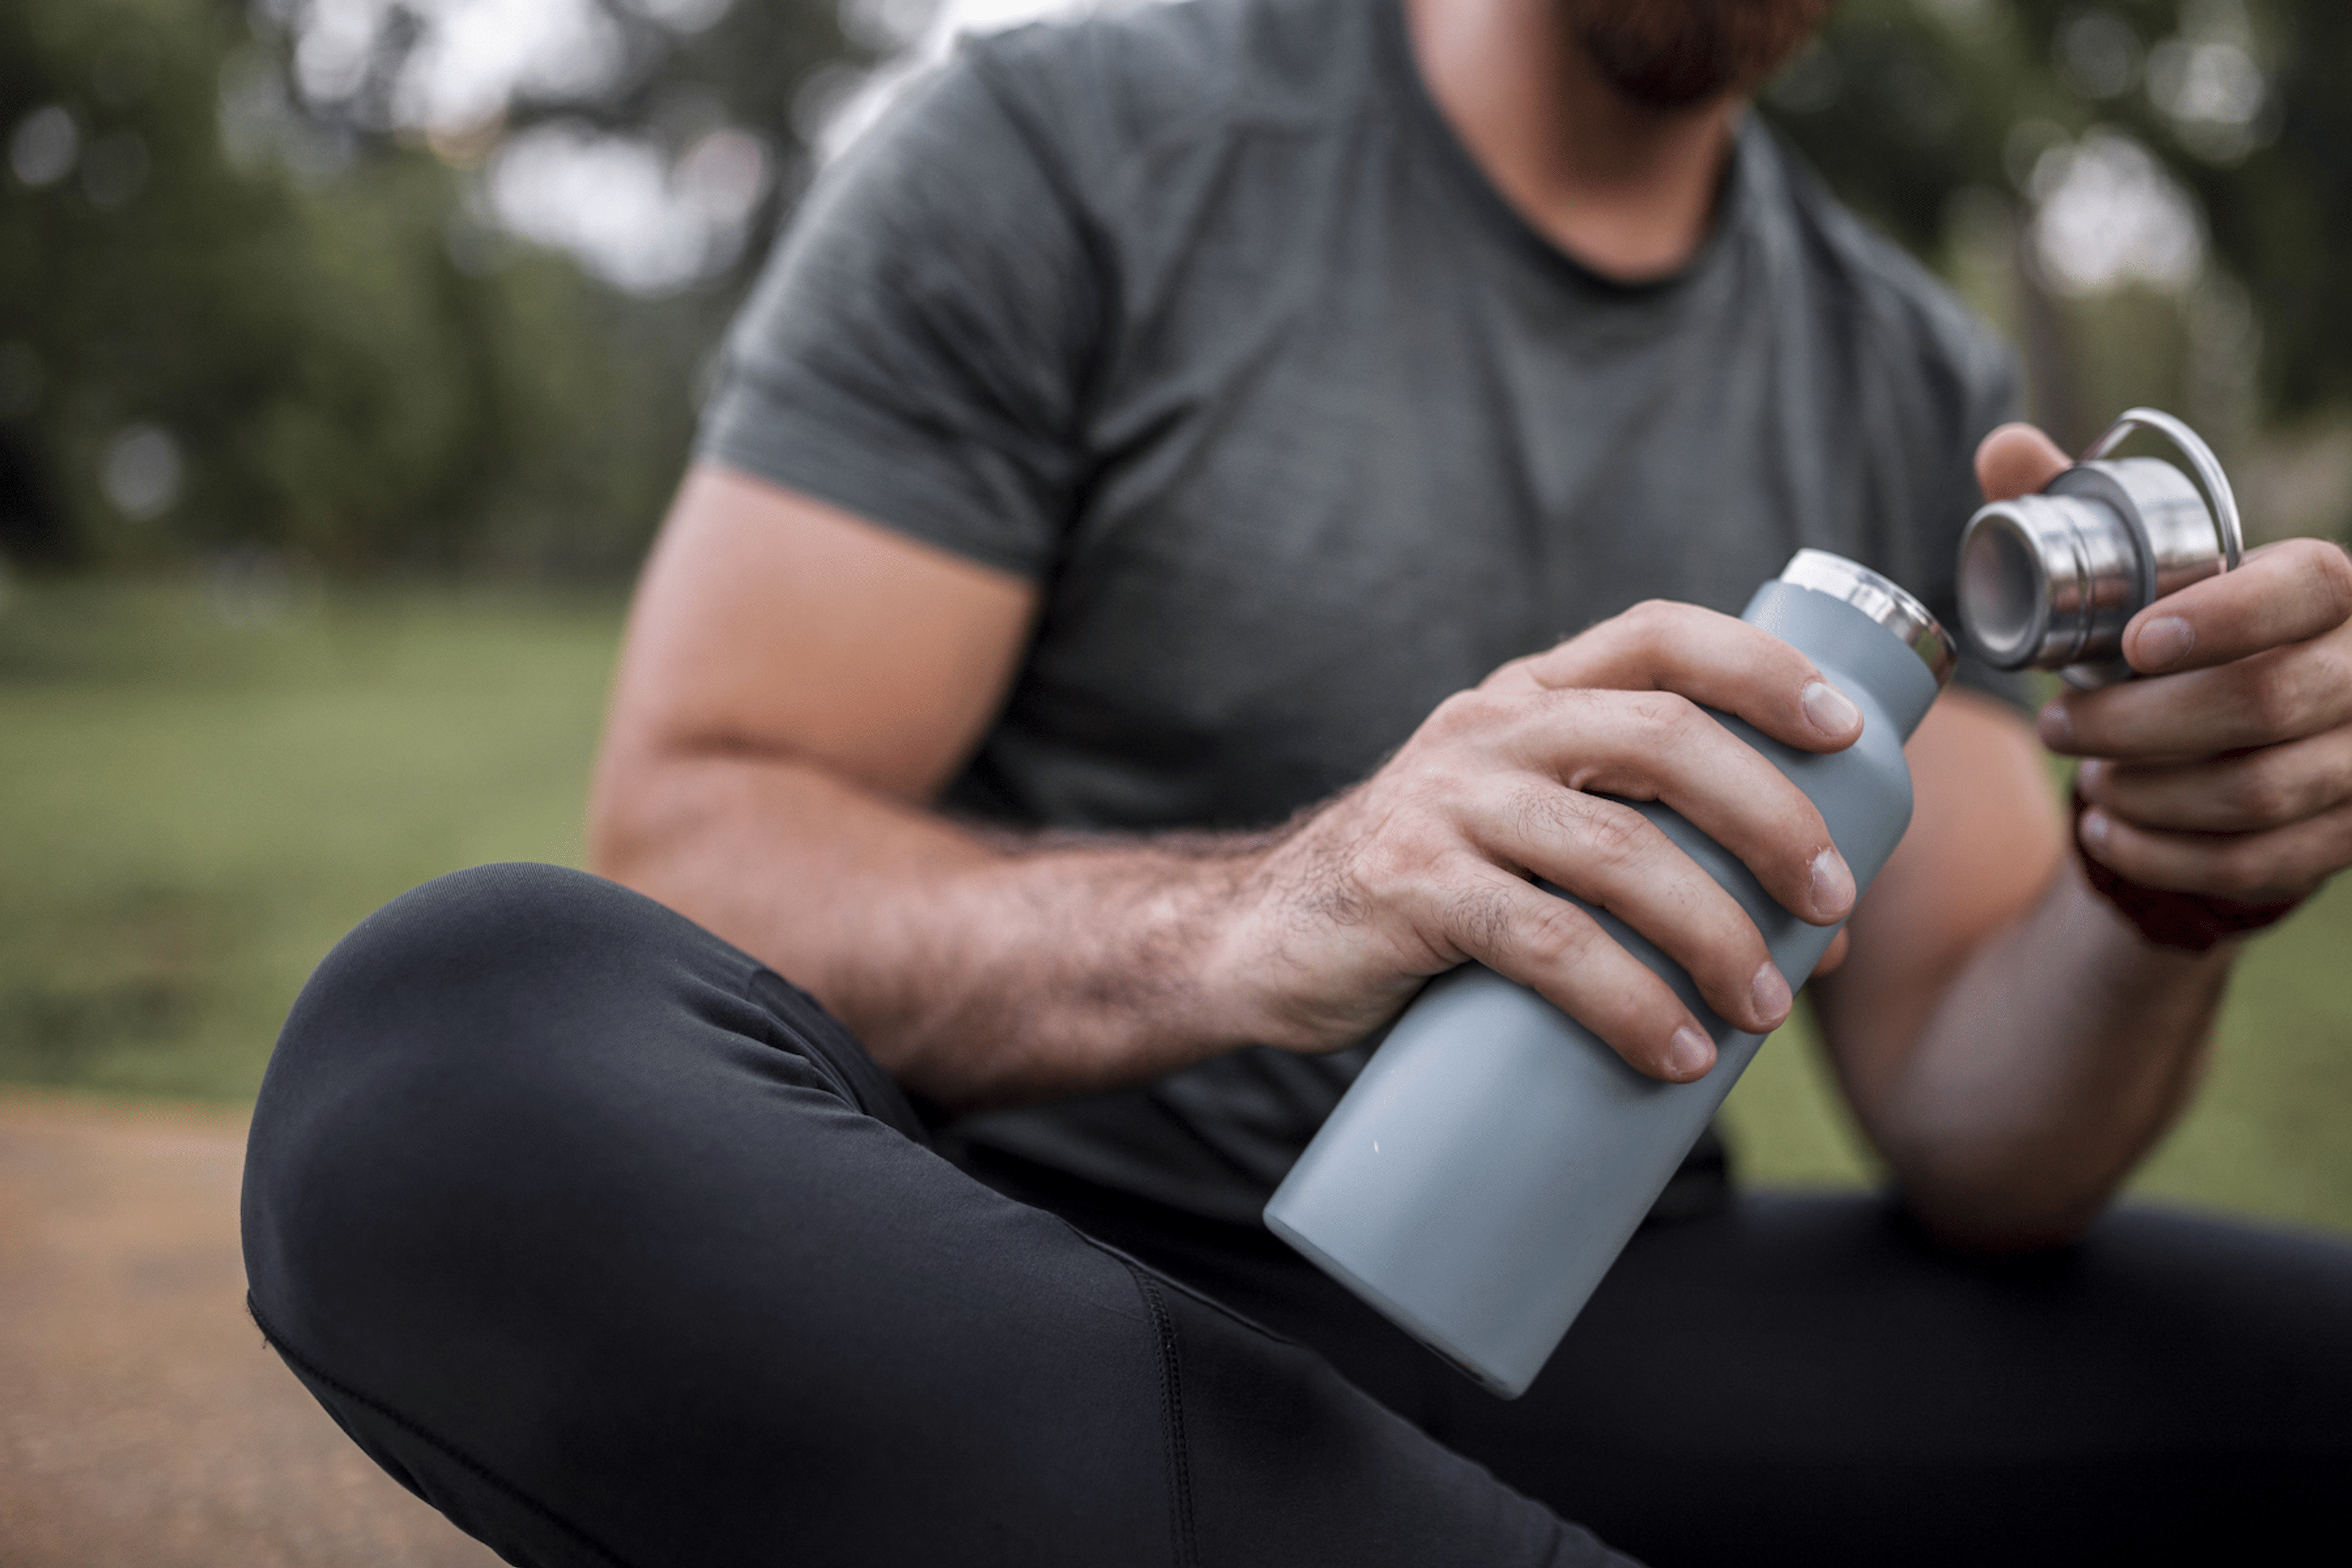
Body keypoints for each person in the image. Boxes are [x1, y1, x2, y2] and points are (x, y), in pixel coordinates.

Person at [241, 1, 2352, 1562]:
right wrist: (1259, 915)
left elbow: (1991, 1146)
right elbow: (701, 843)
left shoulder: (1893, 358)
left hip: (1585, 1341)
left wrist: (2159, 888)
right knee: (443, 1039)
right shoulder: (1072, 152)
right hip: (1024, 1287)